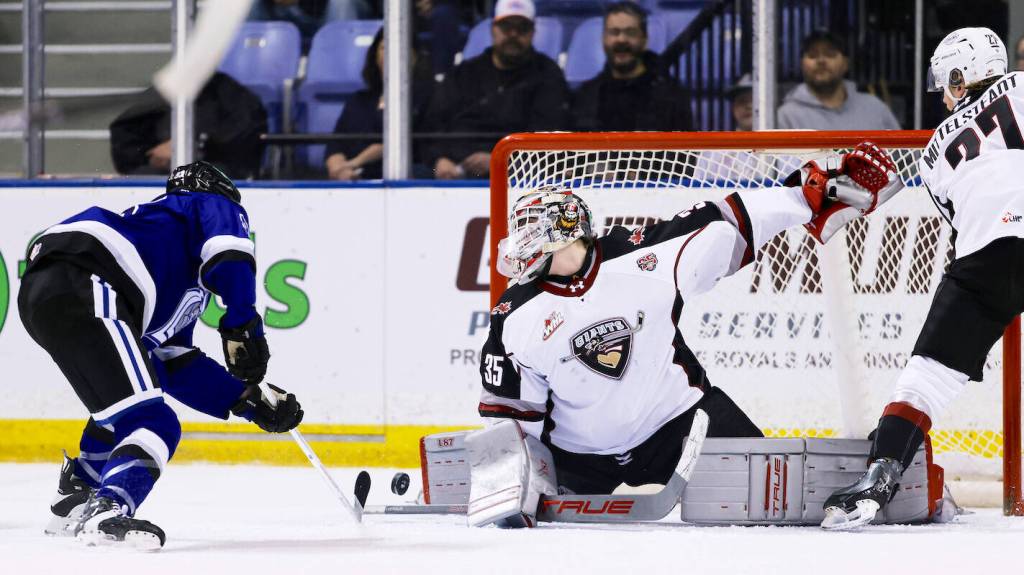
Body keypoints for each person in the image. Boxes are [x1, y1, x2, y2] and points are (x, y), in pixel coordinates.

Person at [478, 143, 898, 500]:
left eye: (531, 232)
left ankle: (880, 474)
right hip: (576, 457)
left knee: (776, 491)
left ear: (566, 231)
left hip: (679, 426)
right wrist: (513, 486)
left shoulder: (640, 257)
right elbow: (513, 417)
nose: (522, 247)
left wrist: (807, 195)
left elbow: (726, 220)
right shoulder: (513, 314)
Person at [19, 162, 303, 549]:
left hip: (45, 292)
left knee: (126, 406)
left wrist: (245, 399)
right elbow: (231, 256)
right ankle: (109, 507)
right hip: (88, 279)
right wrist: (242, 325)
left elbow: (172, 360)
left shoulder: (165, 261)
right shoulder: (202, 203)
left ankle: (76, 495)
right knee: (155, 420)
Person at [822, 27, 1024, 529]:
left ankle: (880, 475)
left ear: (961, 76)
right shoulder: (1021, 86)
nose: (945, 93)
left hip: (986, 257)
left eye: (947, 81)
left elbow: (961, 220)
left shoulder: (934, 152)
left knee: (926, 373)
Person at [420, 0, 569, 179]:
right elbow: (433, 125)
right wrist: (439, 160)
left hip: (519, 178)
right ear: (493, 29)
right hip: (455, 172)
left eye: (522, 28)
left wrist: (500, 161)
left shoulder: (548, 75)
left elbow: (549, 139)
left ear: (532, 32)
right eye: (506, 27)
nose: (513, 34)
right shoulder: (464, 73)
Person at [109, 72, 267, 180]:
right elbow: (127, 131)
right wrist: (148, 155)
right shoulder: (166, 90)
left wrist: (190, 146)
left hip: (213, 167)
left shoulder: (229, 93)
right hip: (163, 171)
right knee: (140, 179)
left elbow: (244, 134)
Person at [324, 28, 434, 180]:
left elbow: (397, 142)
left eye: (398, 47)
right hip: (354, 177)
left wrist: (354, 163)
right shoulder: (358, 99)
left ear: (414, 57)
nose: (390, 54)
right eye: (383, 48)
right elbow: (336, 144)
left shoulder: (426, 97)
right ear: (375, 56)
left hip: (407, 178)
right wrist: (338, 168)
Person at [570, 2, 693, 132]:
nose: (622, 39)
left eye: (631, 32)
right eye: (614, 32)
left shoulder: (670, 96)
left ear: (644, 40)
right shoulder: (586, 97)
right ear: (603, 39)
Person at [776, 30, 900, 130]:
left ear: (846, 63)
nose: (821, 61)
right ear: (802, 64)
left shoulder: (875, 108)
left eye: (830, 54)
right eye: (813, 55)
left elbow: (906, 158)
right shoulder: (786, 116)